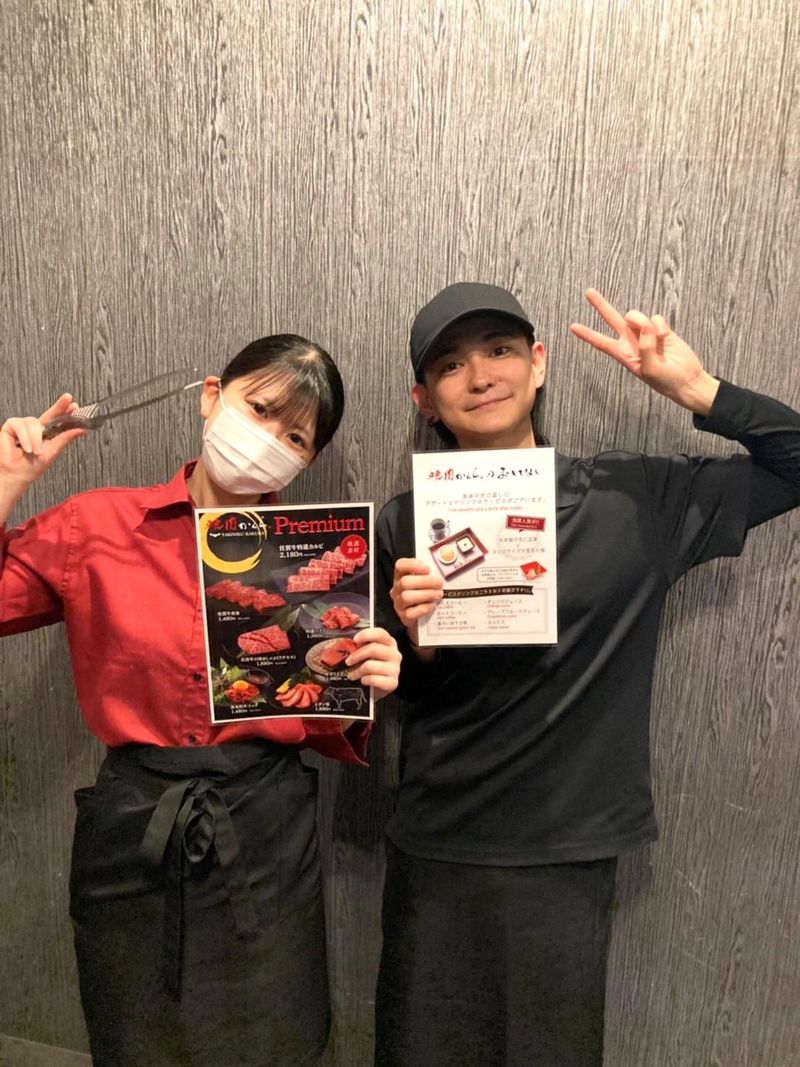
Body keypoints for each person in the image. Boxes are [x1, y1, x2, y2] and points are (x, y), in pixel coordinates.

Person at [373, 283, 800, 1067]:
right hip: (438, 838)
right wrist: (419, 646)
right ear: (424, 399)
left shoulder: (635, 496)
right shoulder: (402, 522)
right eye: (450, 364)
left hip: (568, 842)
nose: (481, 375)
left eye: (500, 350)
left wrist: (700, 391)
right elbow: (402, 691)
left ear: (538, 364)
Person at [0, 333, 401, 1067]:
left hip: (265, 826)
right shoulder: (96, 524)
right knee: (134, 1033)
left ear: (306, 461)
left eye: (295, 437)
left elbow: (316, 708)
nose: (268, 441)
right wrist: (5, 481)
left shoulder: (314, 560)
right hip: (133, 822)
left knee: (269, 1041)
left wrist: (362, 677)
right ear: (212, 396)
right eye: (261, 409)